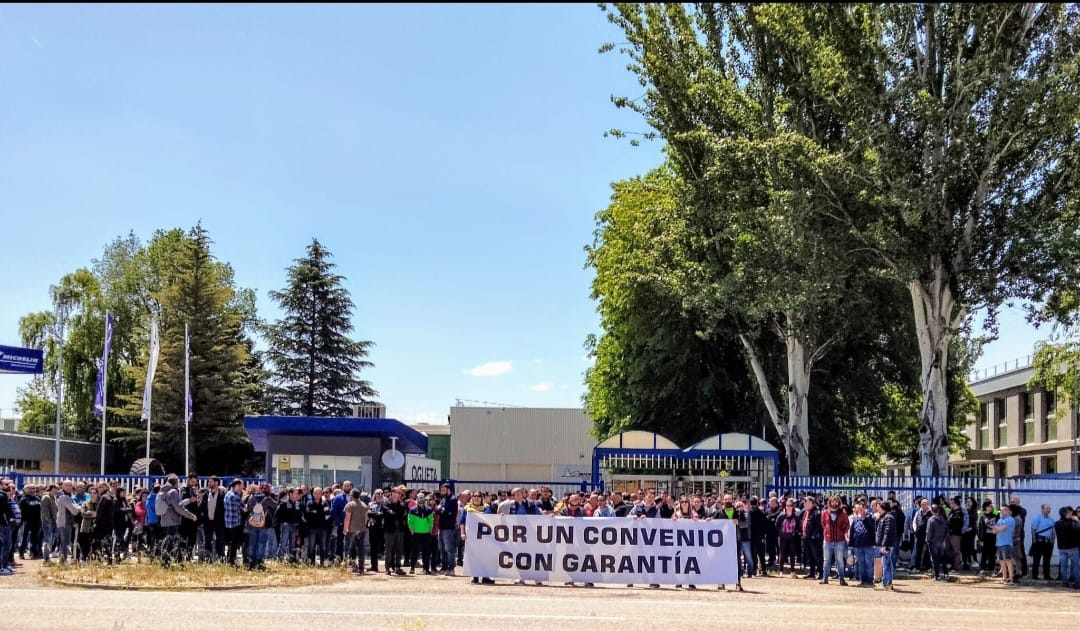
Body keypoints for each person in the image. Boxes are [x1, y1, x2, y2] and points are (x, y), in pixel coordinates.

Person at [849, 501, 876, 587]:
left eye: (862, 508)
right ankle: (863, 580)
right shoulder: (855, 519)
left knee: (869, 563)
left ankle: (869, 580)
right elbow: (852, 532)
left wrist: (865, 516)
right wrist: (851, 544)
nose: (860, 510)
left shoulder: (870, 518)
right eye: (859, 508)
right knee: (861, 563)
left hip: (868, 545)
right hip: (858, 545)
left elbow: (872, 529)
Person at [874, 499, 898, 591]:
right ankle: (886, 583)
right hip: (883, 544)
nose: (877, 509)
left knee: (887, 564)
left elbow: (887, 533)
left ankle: (887, 583)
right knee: (885, 564)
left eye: (879, 507)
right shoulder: (883, 517)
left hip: (886, 545)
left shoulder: (888, 518)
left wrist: (885, 545)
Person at [434, 483, 458, 576]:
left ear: (449, 489)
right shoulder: (443, 499)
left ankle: (451, 568)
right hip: (442, 527)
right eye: (441, 490)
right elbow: (437, 511)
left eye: (444, 490)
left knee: (449, 549)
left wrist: (441, 510)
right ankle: (444, 567)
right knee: (442, 549)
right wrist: (441, 509)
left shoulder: (453, 499)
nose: (442, 491)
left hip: (449, 528)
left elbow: (446, 512)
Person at [343, 489, 369, 574]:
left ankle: (347, 566)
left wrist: (345, 529)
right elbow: (366, 518)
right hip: (362, 530)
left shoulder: (350, 505)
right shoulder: (364, 505)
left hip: (351, 530)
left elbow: (347, 518)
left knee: (349, 548)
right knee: (361, 549)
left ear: (352, 495)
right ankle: (361, 567)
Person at [1028, 503, 1056, 581]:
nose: (1048, 510)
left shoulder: (1052, 519)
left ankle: (1047, 576)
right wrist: (1034, 541)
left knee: (1047, 560)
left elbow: (1053, 532)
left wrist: (1053, 541)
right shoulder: (1037, 518)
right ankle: (1035, 575)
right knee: (1036, 560)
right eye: (1047, 508)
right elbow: (1033, 530)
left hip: (1048, 542)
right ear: (1042, 509)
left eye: (1049, 509)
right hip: (1039, 541)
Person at [991, 504, 1017, 586]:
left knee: (1008, 561)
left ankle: (1011, 579)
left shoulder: (1010, 519)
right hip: (999, 543)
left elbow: (1000, 529)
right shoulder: (999, 520)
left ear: (1009, 511)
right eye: (1001, 510)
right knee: (1002, 562)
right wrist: (995, 528)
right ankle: (1004, 578)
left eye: (1004, 510)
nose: (1002, 511)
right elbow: (994, 531)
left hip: (1007, 543)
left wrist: (994, 527)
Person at [1054, 506, 1079, 589]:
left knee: (1063, 566)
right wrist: (1077, 521)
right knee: (1075, 565)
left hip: (1061, 547)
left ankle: (1064, 582)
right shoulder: (1073, 523)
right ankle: (1077, 582)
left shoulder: (1057, 523)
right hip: (1073, 547)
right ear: (1066, 514)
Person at [775, 499, 801, 578]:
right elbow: (777, 525)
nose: (789, 507)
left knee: (792, 555)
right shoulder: (781, 516)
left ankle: (792, 571)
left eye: (790, 506)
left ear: (793, 507)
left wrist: (795, 533)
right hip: (783, 538)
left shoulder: (796, 516)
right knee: (782, 554)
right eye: (787, 506)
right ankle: (781, 571)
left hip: (792, 538)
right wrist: (781, 532)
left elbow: (798, 526)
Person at [925, 505, 950, 580]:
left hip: (933, 542)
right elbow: (946, 531)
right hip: (942, 541)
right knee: (943, 558)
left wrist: (927, 540)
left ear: (932, 511)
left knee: (934, 559)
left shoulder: (931, 520)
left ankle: (937, 575)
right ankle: (946, 574)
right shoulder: (943, 519)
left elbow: (929, 532)